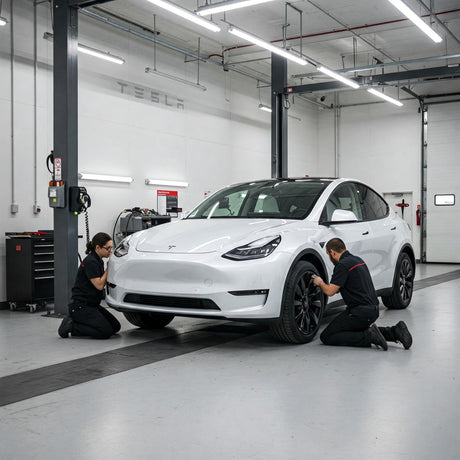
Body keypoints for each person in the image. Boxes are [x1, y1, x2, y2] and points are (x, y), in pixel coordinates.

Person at [312, 238, 412, 351]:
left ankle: (370, 336)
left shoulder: (342, 265)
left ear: (332, 252)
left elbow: (330, 291)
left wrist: (320, 282)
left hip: (359, 313)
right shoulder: (358, 260)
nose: (330, 258)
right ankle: (395, 332)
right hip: (373, 310)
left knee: (327, 336)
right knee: (355, 330)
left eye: (328, 254)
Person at [58, 232, 121, 339]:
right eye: (108, 248)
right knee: (105, 332)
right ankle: (72, 326)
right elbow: (99, 285)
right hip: (80, 306)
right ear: (98, 247)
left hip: (93, 305)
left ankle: (81, 324)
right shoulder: (91, 262)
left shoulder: (98, 260)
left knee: (115, 327)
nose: (111, 251)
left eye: (111, 247)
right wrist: (109, 268)